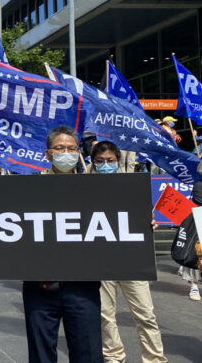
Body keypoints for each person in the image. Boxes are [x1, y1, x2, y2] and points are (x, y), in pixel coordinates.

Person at [0, 125, 103, 362]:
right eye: (59, 148)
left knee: (88, 352)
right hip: (40, 286)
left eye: (71, 148)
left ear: (78, 152)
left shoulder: (95, 189)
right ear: (48, 154)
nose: (65, 153)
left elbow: (118, 222)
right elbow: (12, 224)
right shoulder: (28, 189)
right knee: (41, 354)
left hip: (82, 287)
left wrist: (140, 222)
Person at [88, 141, 166, 363]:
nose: (105, 165)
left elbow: (144, 215)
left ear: (118, 161)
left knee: (146, 314)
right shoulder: (83, 187)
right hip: (100, 260)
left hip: (131, 260)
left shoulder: (133, 185)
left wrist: (150, 221)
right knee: (105, 315)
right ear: (93, 163)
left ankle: (155, 359)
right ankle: (113, 358)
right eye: (100, 162)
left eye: (110, 161)